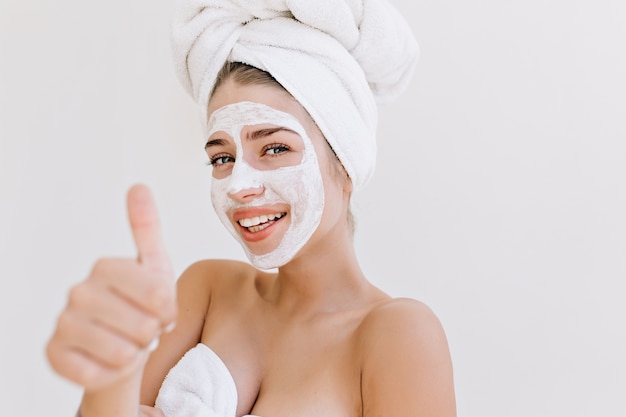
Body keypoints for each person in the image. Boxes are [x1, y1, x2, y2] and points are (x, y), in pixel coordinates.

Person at [46, 0, 457, 416]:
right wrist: (114, 370)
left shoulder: (399, 334)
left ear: (346, 164)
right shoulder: (207, 289)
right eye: (222, 158)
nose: (239, 185)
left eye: (275, 148)